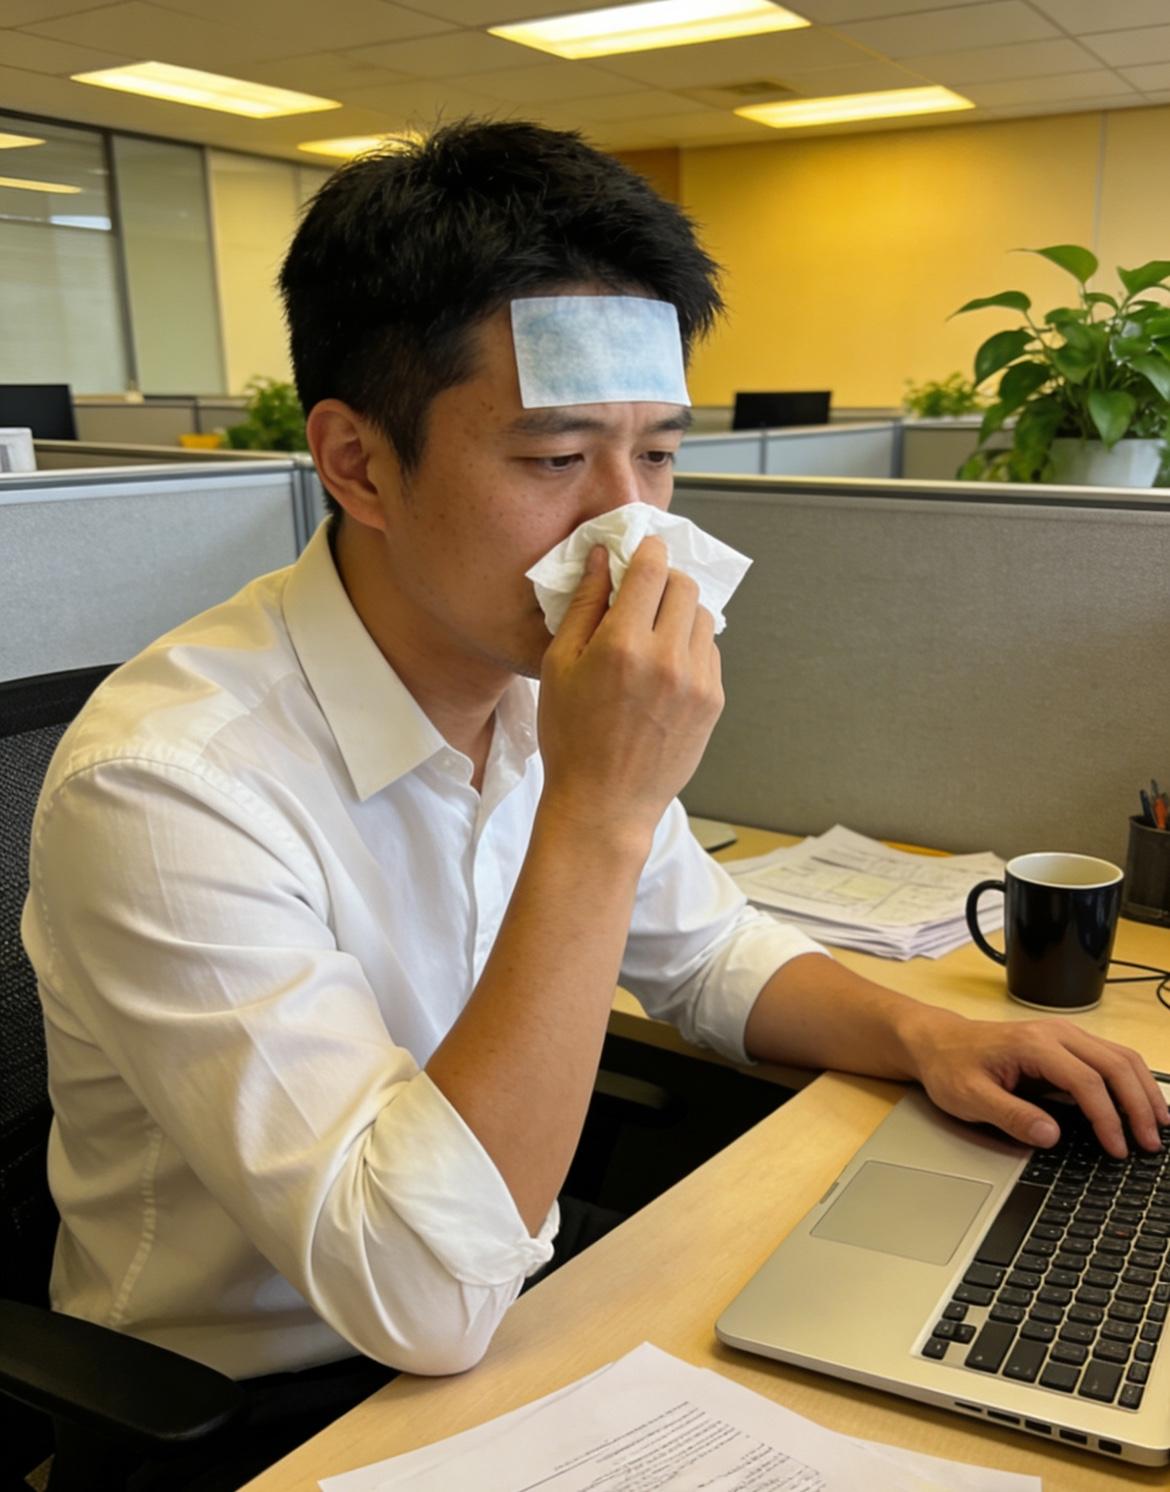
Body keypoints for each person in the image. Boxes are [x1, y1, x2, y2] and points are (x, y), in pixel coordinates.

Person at [23, 118, 1167, 1487]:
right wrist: (601, 808)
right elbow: (415, 1294)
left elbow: (705, 949)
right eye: (556, 460)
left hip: (520, 1313)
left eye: (661, 456)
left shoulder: (527, 676)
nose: (634, 537)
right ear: (358, 463)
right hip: (260, 1412)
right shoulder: (169, 785)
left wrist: (927, 1035)